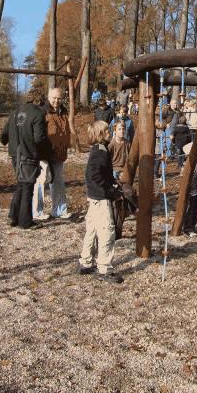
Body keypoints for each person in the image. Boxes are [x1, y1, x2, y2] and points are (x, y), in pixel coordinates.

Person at [78, 120, 123, 284]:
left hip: (94, 196)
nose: (110, 132)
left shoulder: (100, 149)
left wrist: (113, 182)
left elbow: (103, 173)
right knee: (106, 231)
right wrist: (110, 191)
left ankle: (86, 261)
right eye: (107, 131)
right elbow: (95, 175)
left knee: (91, 229)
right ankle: (104, 268)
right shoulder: (100, 151)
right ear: (100, 135)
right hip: (100, 198)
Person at [1, 88, 51, 229]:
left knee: (21, 185)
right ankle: (25, 222)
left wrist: (11, 143)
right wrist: (46, 151)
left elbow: (3, 135)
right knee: (28, 186)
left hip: (15, 153)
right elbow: (39, 138)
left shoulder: (15, 112)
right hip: (28, 153)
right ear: (40, 100)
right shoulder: (38, 113)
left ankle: (13, 216)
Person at [33, 87, 72, 220]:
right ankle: (37, 212)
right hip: (44, 154)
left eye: (59, 98)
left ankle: (59, 210)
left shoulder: (63, 112)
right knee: (40, 182)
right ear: (49, 97)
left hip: (59, 154)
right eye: (54, 98)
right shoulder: (42, 111)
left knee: (59, 182)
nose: (56, 100)